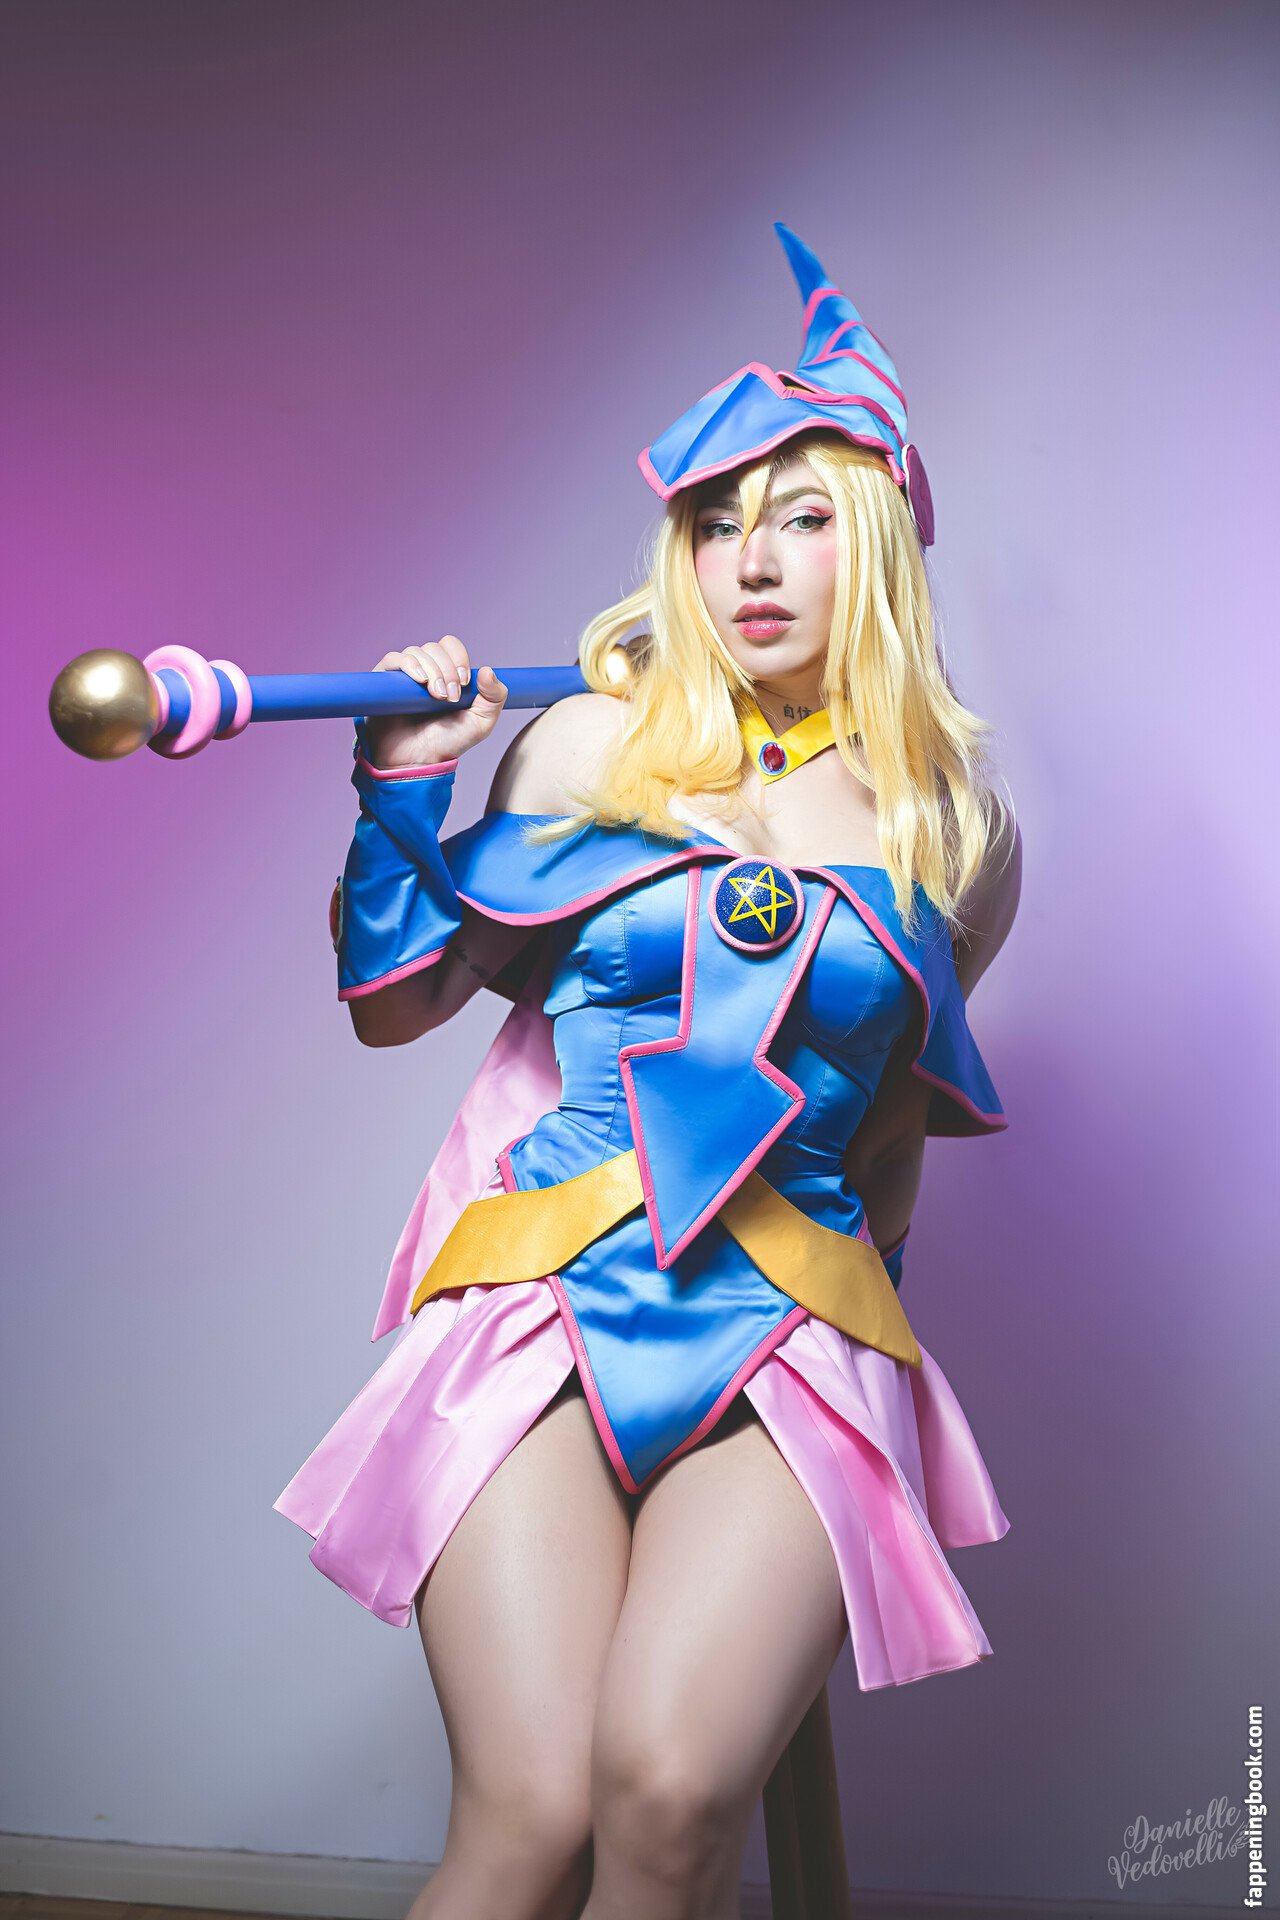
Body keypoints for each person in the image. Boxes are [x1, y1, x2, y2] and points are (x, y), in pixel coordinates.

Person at [276, 225, 1021, 1920]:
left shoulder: (953, 832)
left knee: (672, 1805)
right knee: (533, 1816)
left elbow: (892, 1141)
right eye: (713, 522)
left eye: (802, 518)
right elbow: (396, 1006)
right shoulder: (590, 745)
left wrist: (869, 1370)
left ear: (881, 544)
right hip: (546, 1302)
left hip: (793, 1327)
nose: (751, 560)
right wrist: (401, 789)